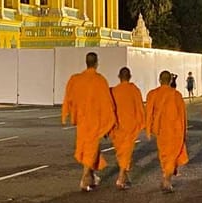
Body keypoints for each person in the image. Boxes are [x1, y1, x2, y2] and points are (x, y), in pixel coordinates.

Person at [62, 51, 116, 192]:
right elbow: (107, 103)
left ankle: (91, 175)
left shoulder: (76, 79)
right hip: (94, 120)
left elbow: (69, 97)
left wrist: (68, 113)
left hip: (82, 119)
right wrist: (108, 123)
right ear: (97, 63)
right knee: (91, 148)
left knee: (88, 147)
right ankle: (85, 177)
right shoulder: (100, 80)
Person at [145, 70, 189, 193]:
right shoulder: (176, 95)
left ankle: (166, 175)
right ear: (170, 81)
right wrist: (184, 132)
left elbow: (148, 113)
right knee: (171, 156)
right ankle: (167, 179)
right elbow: (182, 115)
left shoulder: (152, 94)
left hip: (161, 131)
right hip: (175, 131)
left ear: (159, 80)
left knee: (164, 155)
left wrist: (148, 129)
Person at [110, 67, 144, 190]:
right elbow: (140, 108)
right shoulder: (134, 90)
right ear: (130, 76)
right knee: (126, 152)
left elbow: (109, 109)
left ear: (119, 77)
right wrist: (142, 123)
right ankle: (121, 177)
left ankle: (124, 176)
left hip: (117, 126)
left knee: (122, 152)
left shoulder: (113, 91)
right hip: (130, 125)